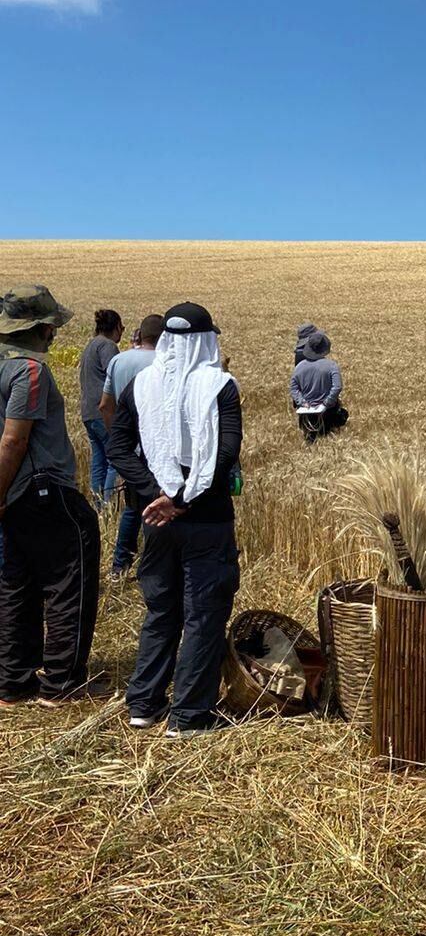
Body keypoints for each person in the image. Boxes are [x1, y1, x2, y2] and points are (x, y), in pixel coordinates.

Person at [107, 302, 242, 736]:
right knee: (203, 613)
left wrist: (154, 494)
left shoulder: (143, 384)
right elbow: (225, 453)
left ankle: (143, 704)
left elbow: (118, 446)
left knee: (161, 609)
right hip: (208, 518)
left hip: (156, 519)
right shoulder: (220, 385)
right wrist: (183, 497)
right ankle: (188, 716)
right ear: (207, 340)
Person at [0, 285, 101, 708]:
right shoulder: (30, 371)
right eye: (51, 327)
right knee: (67, 580)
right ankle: (61, 683)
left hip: (13, 498)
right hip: (41, 489)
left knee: (15, 584)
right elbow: (13, 440)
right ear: (42, 329)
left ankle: (12, 681)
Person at [99, 314, 165, 579]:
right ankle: (155, 565)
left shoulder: (119, 359)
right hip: (156, 448)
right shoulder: (163, 364)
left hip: (127, 450)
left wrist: (117, 438)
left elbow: (105, 405)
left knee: (132, 507)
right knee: (160, 508)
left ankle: (119, 565)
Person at [79, 309, 124, 503]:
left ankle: (97, 506)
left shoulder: (90, 345)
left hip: (88, 411)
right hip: (103, 411)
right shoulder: (108, 346)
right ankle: (108, 504)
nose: (122, 332)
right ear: (115, 327)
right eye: (121, 327)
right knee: (115, 459)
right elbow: (113, 375)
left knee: (99, 460)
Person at [290, 330, 348, 443]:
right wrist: (326, 403)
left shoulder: (299, 367)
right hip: (328, 412)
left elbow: (294, 388)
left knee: (310, 439)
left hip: (306, 414)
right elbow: (337, 387)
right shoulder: (332, 366)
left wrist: (302, 402)